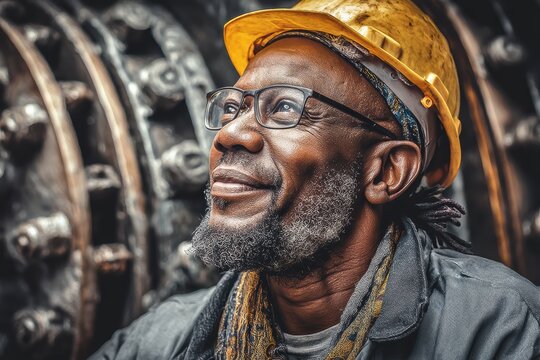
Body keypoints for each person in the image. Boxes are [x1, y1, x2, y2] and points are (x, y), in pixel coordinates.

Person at [90, 0, 540, 359]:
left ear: (386, 170)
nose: (229, 134)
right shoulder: (162, 340)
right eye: (232, 107)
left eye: (284, 107)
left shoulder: (500, 331)